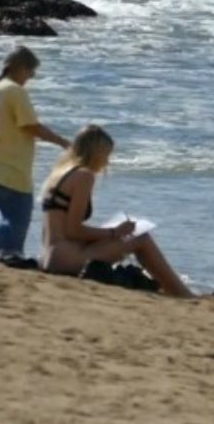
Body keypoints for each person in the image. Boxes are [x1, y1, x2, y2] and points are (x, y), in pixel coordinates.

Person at [39, 125, 194, 298]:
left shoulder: (60, 173)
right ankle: (182, 293)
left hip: (50, 256)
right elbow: (73, 230)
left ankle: (174, 289)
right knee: (141, 238)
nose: (107, 161)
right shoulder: (84, 176)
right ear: (95, 153)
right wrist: (114, 232)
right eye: (106, 155)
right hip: (67, 259)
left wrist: (111, 233)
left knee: (128, 235)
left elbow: (64, 228)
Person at [0, 46, 69, 257]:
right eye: (31, 72)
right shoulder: (15, 91)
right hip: (11, 171)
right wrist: (63, 142)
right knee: (16, 224)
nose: (31, 77)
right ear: (21, 68)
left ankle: (11, 259)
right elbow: (31, 126)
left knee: (11, 221)